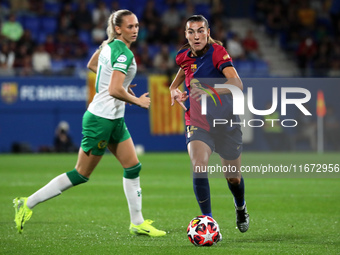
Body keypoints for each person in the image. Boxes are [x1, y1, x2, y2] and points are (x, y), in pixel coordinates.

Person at [13, 9, 166, 237]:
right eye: (130, 27)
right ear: (118, 28)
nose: (135, 30)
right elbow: (113, 89)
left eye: (136, 26)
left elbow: (93, 65)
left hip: (114, 118)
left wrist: (120, 88)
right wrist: (136, 100)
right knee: (81, 174)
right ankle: (27, 203)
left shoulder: (108, 45)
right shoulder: (124, 53)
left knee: (133, 166)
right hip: (101, 120)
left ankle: (137, 222)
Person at [169, 15, 249, 235]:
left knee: (233, 177)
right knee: (199, 164)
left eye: (200, 31)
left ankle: (240, 207)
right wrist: (174, 91)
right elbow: (177, 81)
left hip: (225, 122)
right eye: (191, 32)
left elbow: (237, 84)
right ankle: (208, 221)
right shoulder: (183, 56)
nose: (196, 36)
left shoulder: (218, 53)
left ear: (208, 32)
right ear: (186, 34)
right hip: (198, 121)